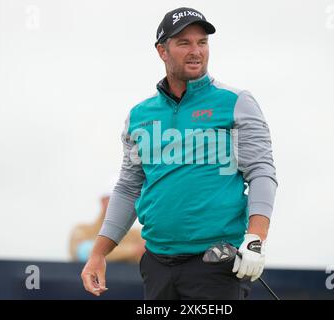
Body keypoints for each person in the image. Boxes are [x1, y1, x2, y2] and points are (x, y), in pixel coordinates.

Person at [81, 7, 278, 300]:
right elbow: (129, 187)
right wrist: (98, 253)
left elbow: (262, 171)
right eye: (184, 43)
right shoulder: (139, 116)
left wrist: (255, 239)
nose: (196, 51)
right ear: (162, 51)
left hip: (217, 262)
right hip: (157, 265)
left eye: (202, 42)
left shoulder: (236, 102)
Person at [69, 185, 145, 263]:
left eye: (128, 200)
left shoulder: (137, 235)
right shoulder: (83, 230)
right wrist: (134, 250)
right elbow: (86, 252)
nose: (122, 204)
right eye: (115, 198)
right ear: (103, 201)